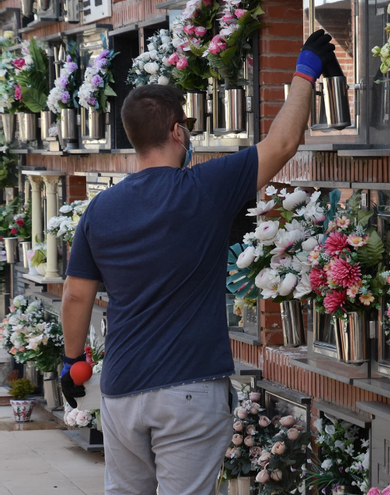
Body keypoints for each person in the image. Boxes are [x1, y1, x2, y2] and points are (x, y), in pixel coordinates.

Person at [59, 30, 337, 495]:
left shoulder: (100, 209)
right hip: (189, 388)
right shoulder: (205, 187)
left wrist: (72, 362)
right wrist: (305, 67)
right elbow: (284, 143)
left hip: (122, 390)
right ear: (177, 131)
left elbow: (75, 294)